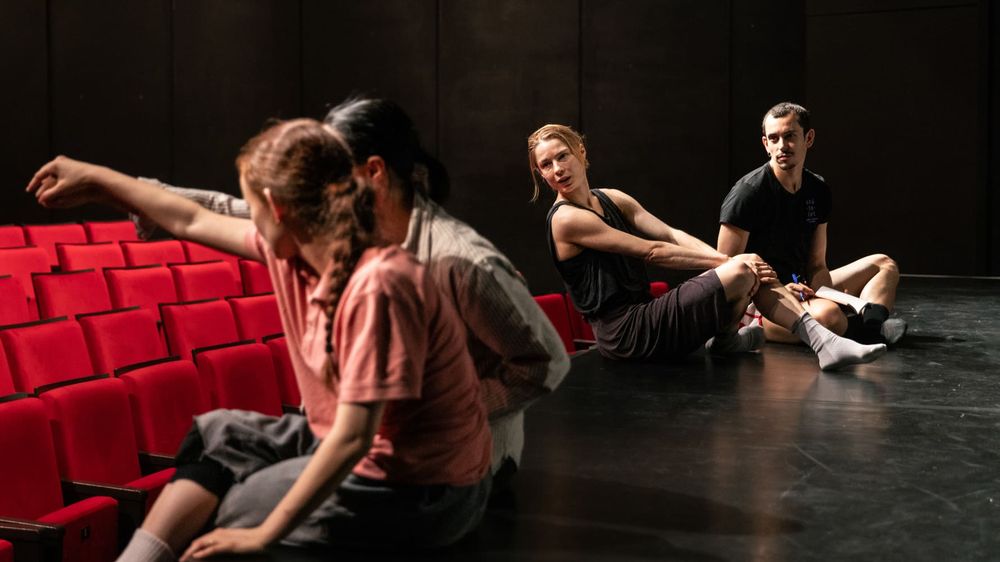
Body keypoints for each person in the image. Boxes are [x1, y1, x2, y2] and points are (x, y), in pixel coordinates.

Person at [27, 119, 493, 559]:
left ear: (276, 207)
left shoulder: (380, 286)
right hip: (361, 449)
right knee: (219, 434)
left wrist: (262, 533)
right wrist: (98, 180)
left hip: (427, 486)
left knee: (241, 510)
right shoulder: (292, 249)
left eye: (251, 205)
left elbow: (354, 438)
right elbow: (189, 218)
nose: (250, 216)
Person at [131, 97, 568, 485]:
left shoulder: (463, 262)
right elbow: (250, 211)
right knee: (224, 450)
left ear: (373, 171)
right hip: (375, 449)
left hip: (461, 470)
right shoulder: (349, 229)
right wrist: (153, 194)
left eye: (330, 171)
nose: (314, 184)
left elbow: (546, 361)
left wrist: (451, 408)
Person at [528, 123, 887, 371]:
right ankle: (822, 344)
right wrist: (732, 264)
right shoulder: (566, 219)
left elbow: (670, 234)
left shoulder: (611, 198)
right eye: (546, 164)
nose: (557, 169)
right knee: (741, 268)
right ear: (541, 174)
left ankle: (730, 340)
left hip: (645, 316)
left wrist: (733, 264)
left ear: (580, 151)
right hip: (625, 335)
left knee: (743, 269)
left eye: (563, 156)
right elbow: (652, 251)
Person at [718, 102, 906, 345]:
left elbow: (817, 265)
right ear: (765, 144)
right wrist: (782, 290)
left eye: (789, 136)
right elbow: (724, 275)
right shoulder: (748, 193)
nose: (781, 146)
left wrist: (824, 294)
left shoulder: (817, 189)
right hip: (757, 302)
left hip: (801, 286)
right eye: (773, 139)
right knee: (829, 316)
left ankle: (863, 327)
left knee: (884, 265)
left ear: (808, 138)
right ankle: (866, 329)